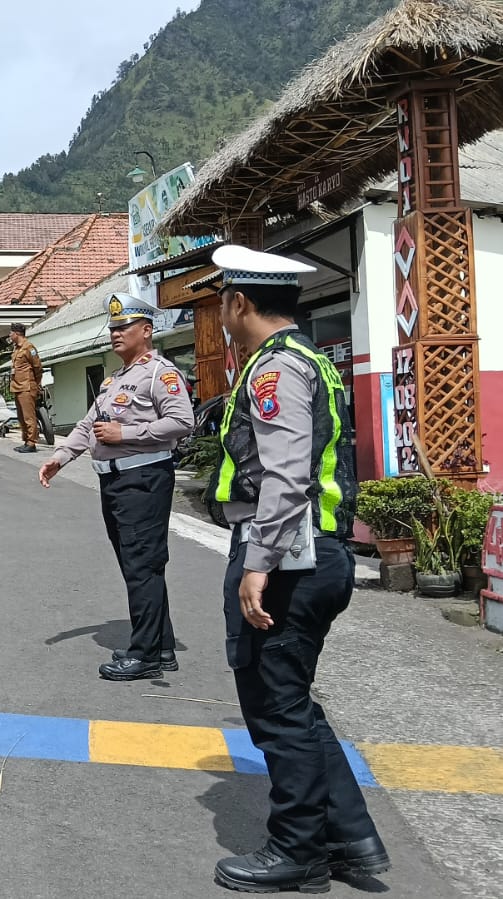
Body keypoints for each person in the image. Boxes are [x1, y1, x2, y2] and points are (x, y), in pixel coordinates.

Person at [205, 245, 384, 893]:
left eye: (222, 298)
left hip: (287, 553)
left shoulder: (273, 371)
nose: (221, 310)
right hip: (315, 551)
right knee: (291, 704)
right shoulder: (309, 360)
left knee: (275, 708)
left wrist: (257, 563)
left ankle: (296, 850)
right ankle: (350, 837)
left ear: (240, 303)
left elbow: (284, 476)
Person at [38, 292, 192, 681]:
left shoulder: (161, 374)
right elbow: (89, 424)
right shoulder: (116, 379)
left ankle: (145, 655)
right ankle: (162, 644)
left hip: (143, 479)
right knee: (137, 565)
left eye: (124, 327)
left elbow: (181, 422)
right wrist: (60, 458)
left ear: (146, 330)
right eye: (112, 328)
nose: (115, 334)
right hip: (117, 482)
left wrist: (127, 433)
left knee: (142, 565)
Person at [9, 323, 45, 453]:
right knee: (21, 417)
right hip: (17, 387)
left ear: (17, 334)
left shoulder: (29, 348)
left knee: (29, 417)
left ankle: (31, 443)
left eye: (11, 333)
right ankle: (26, 440)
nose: (9, 335)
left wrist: (36, 384)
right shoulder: (16, 349)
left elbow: (38, 368)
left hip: (27, 386)